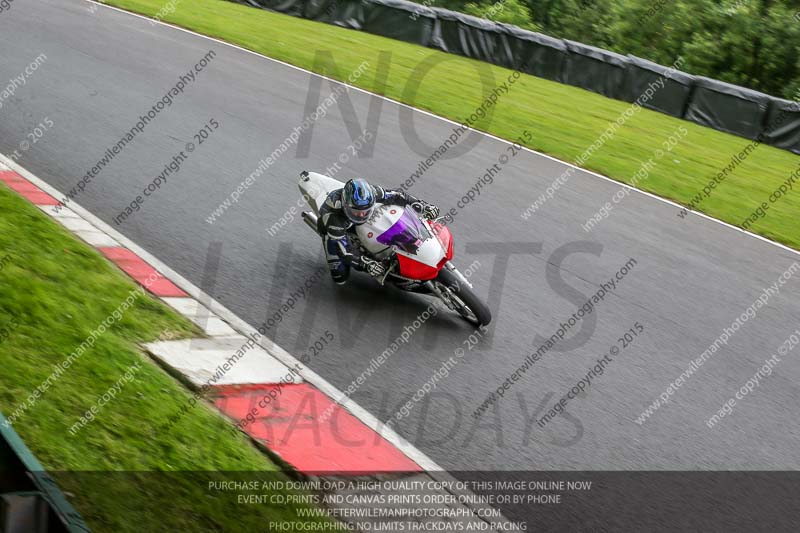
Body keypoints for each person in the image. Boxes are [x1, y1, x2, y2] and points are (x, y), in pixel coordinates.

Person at [318, 178, 440, 284]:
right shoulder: (335, 219)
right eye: (356, 212)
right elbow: (343, 251)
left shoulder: (373, 193)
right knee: (339, 277)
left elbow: (398, 196)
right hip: (333, 233)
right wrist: (365, 263)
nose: (361, 215)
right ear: (346, 206)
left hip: (360, 221)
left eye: (365, 210)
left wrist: (423, 206)